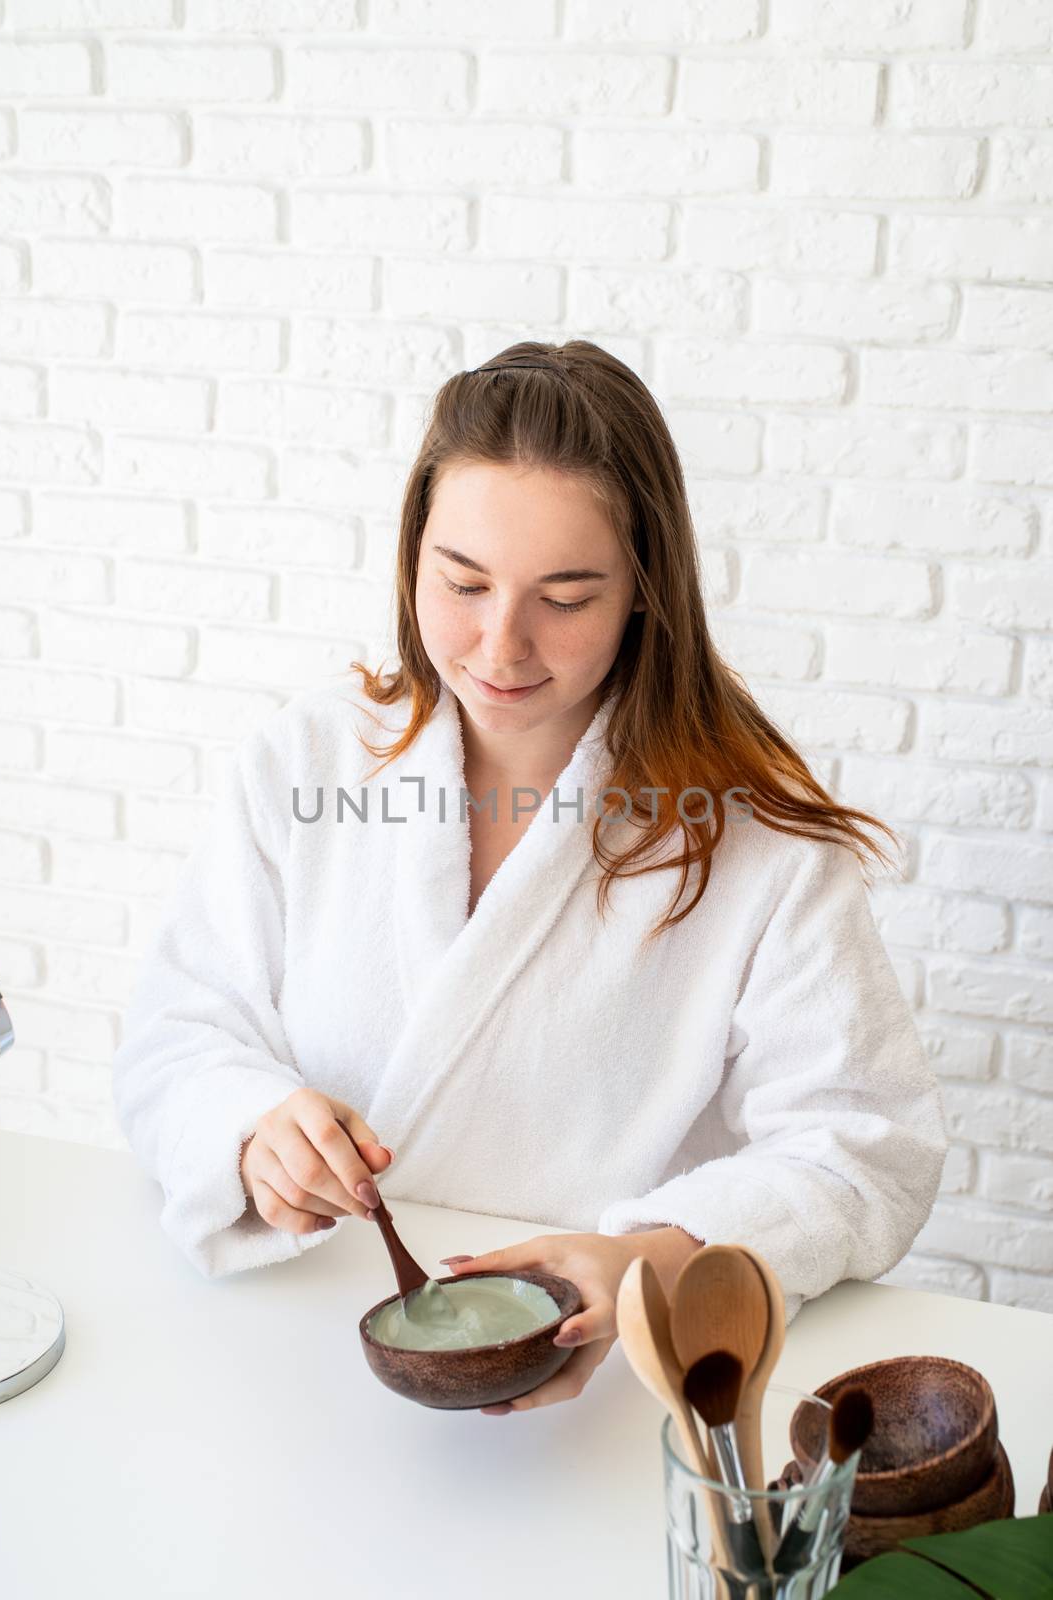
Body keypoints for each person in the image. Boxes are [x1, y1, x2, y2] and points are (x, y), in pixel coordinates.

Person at [111, 340, 947, 1417]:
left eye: (565, 594)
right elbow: (174, 1036)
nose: (500, 644)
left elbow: (869, 1149)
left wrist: (648, 1257)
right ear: (411, 556)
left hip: (605, 1384)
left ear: (646, 592)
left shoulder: (753, 842)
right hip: (292, 1353)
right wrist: (252, 1126)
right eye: (462, 582)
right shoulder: (307, 762)